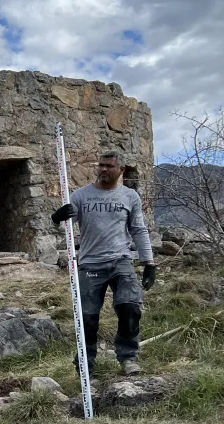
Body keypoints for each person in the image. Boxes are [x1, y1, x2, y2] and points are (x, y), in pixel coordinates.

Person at [51, 149, 156, 376]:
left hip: (121, 261)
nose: (104, 169)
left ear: (121, 170)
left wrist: (149, 263)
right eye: (101, 165)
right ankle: (86, 363)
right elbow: (64, 226)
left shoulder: (130, 197)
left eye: (109, 166)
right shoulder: (80, 196)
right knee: (87, 317)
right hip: (90, 263)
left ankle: (128, 358)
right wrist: (57, 217)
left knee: (130, 308)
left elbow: (138, 230)